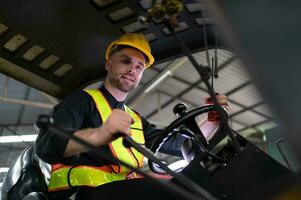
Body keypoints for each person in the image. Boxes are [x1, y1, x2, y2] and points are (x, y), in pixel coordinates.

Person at [35, 33, 228, 200]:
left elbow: (179, 144)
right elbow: (47, 146)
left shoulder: (133, 119)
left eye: (139, 67)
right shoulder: (82, 100)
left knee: (198, 183)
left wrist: (213, 119)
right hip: (84, 194)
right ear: (109, 63)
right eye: (126, 61)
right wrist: (101, 134)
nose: (132, 70)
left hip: (124, 192)